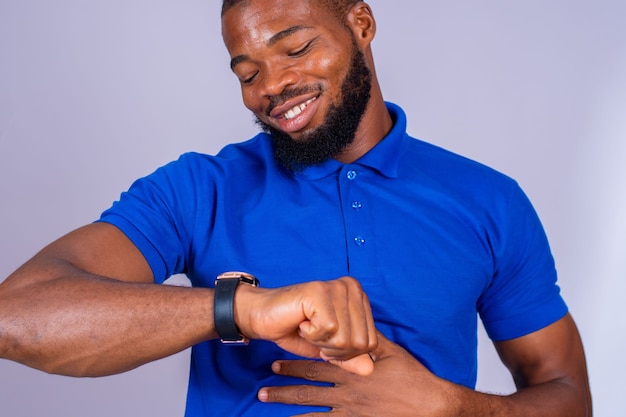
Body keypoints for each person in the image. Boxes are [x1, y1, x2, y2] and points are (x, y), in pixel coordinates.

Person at [0, 0, 592, 416]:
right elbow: (17, 317)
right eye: (247, 71)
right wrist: (247, 309)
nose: (271, 86)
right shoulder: (199, 189)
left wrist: (448, 407)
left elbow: (566, 394)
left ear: (360, 23)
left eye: (297, 48)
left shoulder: (488, 199)